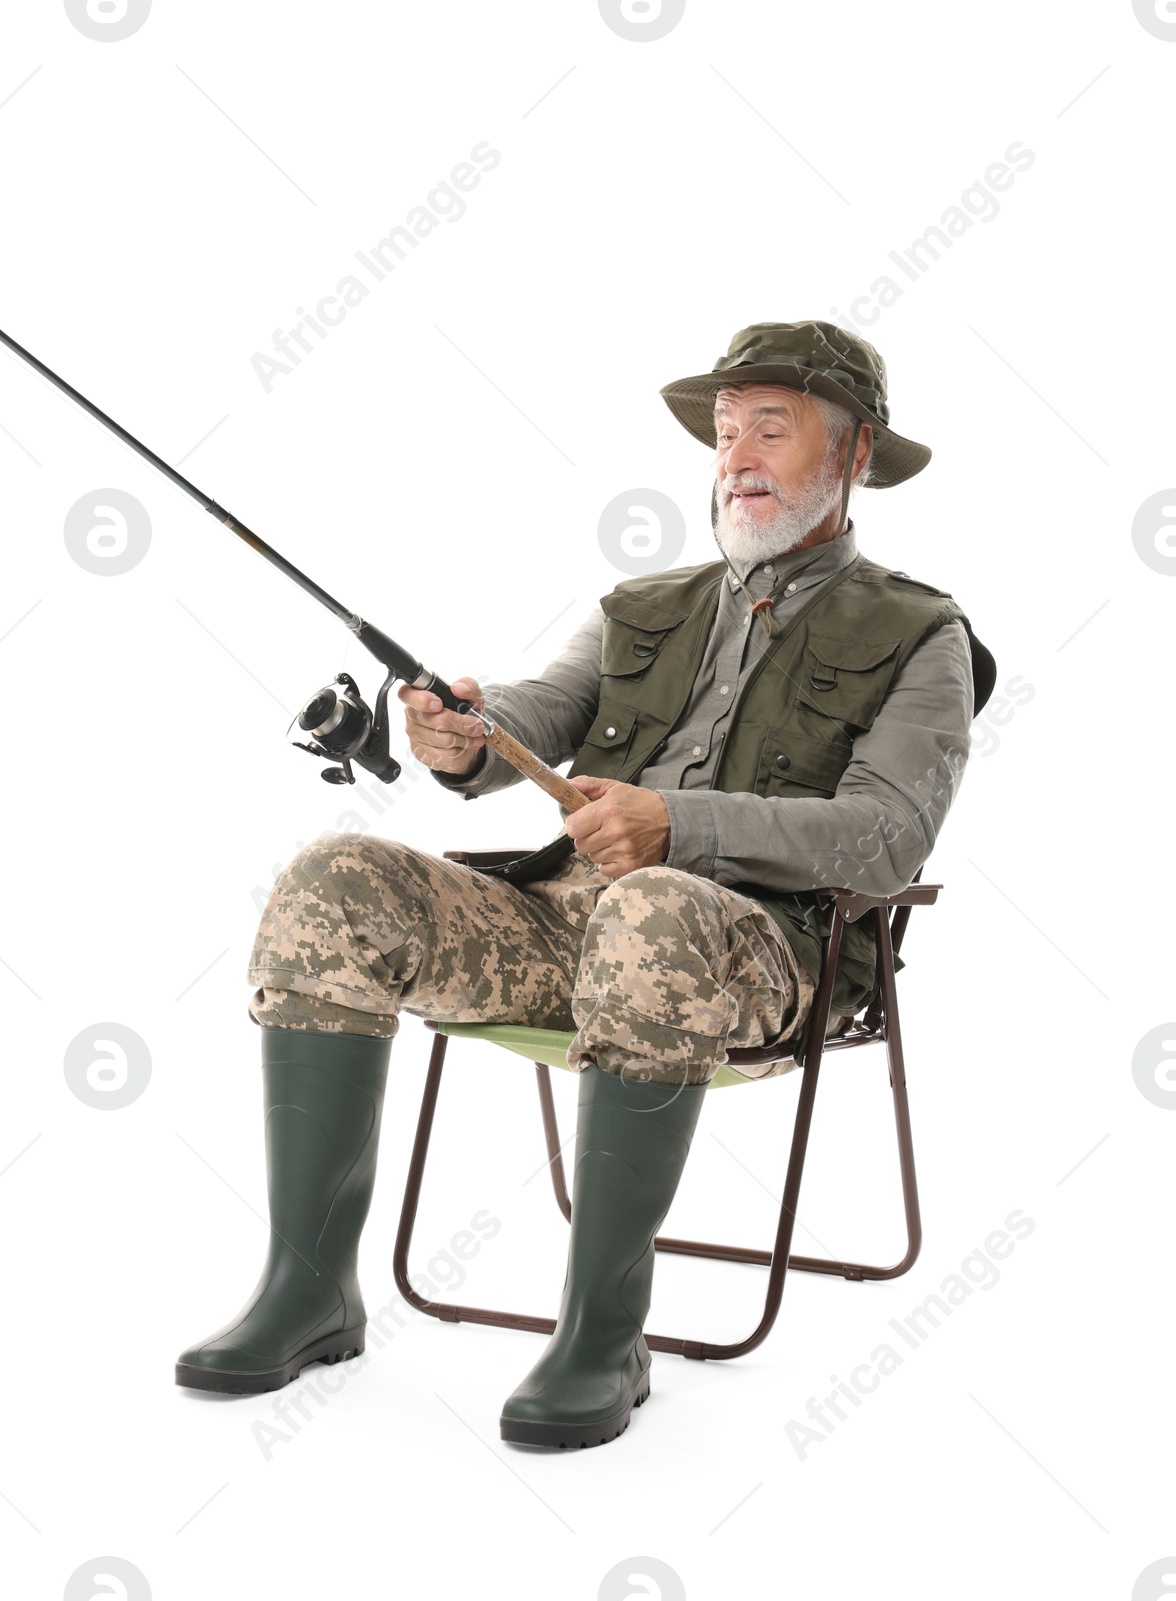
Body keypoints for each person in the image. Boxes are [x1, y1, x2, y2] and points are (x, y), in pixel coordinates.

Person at [175, 320, 996, 1451]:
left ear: (853, 455)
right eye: (723, 432)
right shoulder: (645, 605)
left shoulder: (922, 634)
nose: (736, 456)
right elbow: (538, 709)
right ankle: (308, 1286)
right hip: (565, 926)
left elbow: (886, 840)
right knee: (335, 879)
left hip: (764, 950)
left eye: (772, 427)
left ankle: (604, 1332)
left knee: (652, 905)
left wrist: (678, 825)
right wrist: (465, 731)